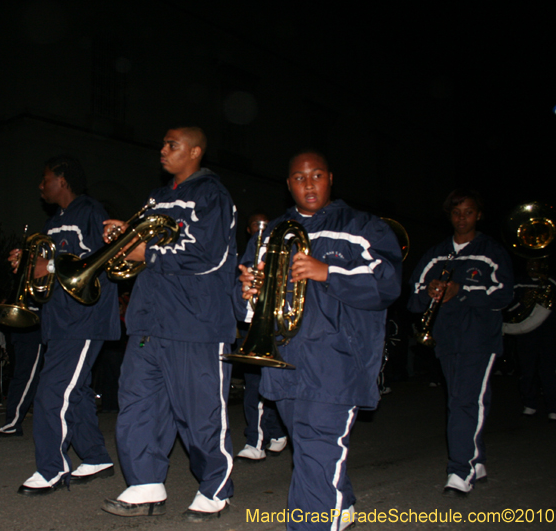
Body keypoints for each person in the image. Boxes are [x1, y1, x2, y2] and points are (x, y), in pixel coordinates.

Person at [237, 151, 402, 530]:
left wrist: (328, 271)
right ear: (288, 184)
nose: (308, 184)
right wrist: (246, 291)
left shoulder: (364, 227)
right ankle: (339, 505)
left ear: (330, 178)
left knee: (316, 448)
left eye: (316, 176)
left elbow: (388, 285)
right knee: (311, 449)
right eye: (298, 177)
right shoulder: (273, 232)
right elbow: (244, 303)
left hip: (338, 361)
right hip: (287, 358)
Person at [102, 127, 237, 521]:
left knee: (201, 413)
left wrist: (148, 251)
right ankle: (145, 484)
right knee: (138, 403)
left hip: (195, 322)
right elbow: (134, 258)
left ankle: (215, 486)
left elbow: (209, 254)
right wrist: (121, 242)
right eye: (162, 143)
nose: (162, 150)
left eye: (171, 145)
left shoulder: (213, 195)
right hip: (148, 320)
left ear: (195, 151)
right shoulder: (156, 199)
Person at [15, 155, 120, 494]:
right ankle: (95, 456)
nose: (40, 186)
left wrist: (48, 265)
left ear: (63, 180)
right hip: (58, 321)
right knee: (75, 393)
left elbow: (101, 258)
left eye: (45, 179)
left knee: (52, 392)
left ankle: (52, 468)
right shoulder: (52, 223)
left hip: (84, 319)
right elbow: (44, 267)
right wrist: (26, 262)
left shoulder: (90, 211)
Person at [408, 189, 513, 497]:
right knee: (464, 398)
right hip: (446, 338)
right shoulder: (438, 253)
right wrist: (431, 291)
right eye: (456, 213)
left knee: (464, 401)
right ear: (449, 216)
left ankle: (459, 470)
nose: (462, 218)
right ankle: (476, 458)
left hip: (479, 338)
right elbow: (413, 298)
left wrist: (462, 290)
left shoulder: (491, 250)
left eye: (468, 212)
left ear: (478, 215)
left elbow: (505, 293)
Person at [236, 213, 287, 461]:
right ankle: (254, 440)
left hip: (282, 325)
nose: (261, 229)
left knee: (277, 385)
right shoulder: (250, 248)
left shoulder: (284, 241)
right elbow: (239, 285)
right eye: (256, 226)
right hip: (253, 323)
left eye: (264, 225)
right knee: (255, 385)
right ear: (249, 230)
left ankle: (277, 431)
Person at [510, 259, 556, 421]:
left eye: (535, 263)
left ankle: (554, 408)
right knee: (527, 369)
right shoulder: (519, 282)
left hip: (547, 332)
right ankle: (529, 404)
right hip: (526, 332)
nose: (531, 266)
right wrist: (521, 306)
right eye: (529, 263)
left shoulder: (551, 281)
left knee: (548, 370)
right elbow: (508, 302)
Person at [0, 325, 43, 437]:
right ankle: (13, 421)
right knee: (20, 378)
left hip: (33, 331)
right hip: (20, 333)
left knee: (26, 378)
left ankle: (13, 422)